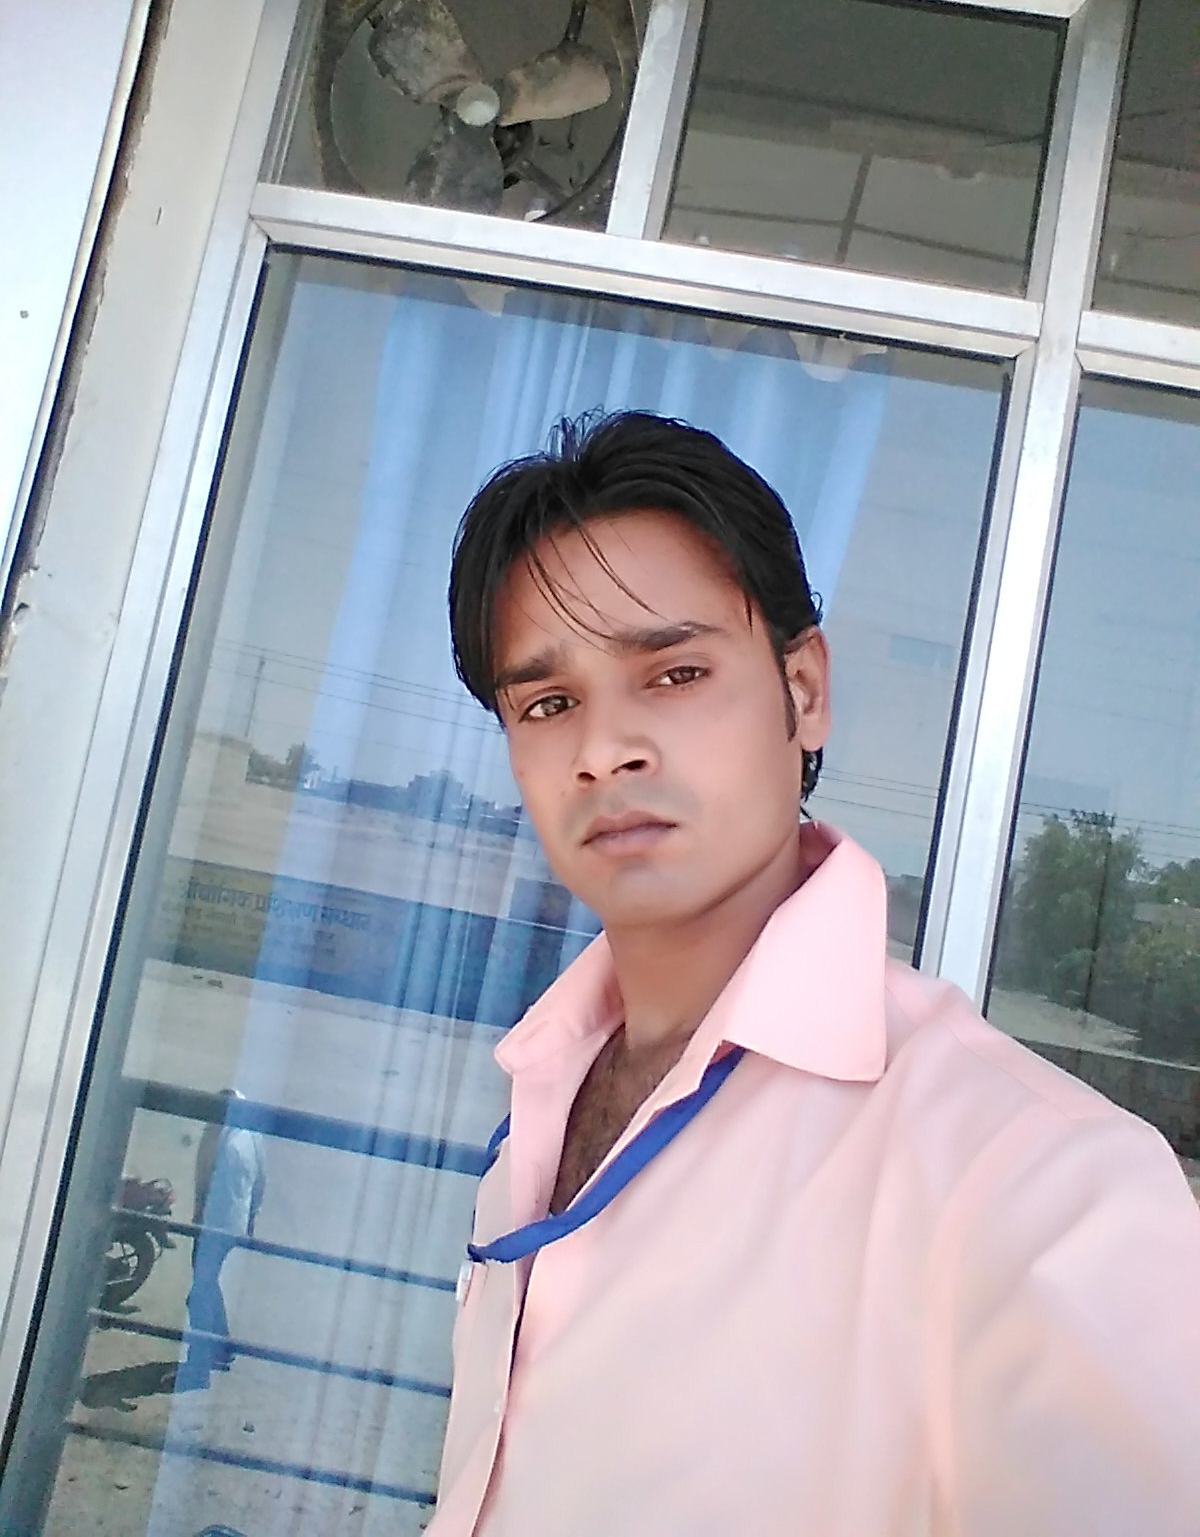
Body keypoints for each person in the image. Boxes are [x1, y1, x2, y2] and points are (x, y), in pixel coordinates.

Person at [426, 410, 1200, 1535]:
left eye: (675, 672)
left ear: (805, 690)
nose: (602, 750)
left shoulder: (1034, 1185)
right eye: (548, 704)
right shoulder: (544, 1097)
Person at [177, 1088, 266, 1390]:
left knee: (201, 1290)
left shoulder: (217, 1134)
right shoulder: (251, 1134)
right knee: (208, 1283)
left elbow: (203, 1177)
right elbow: (260, 1181)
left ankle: (199, 1364)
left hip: (216, 1224)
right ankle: (223, 1348)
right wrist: (251, 1220)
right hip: (229, 1224)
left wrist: (198, 1213)